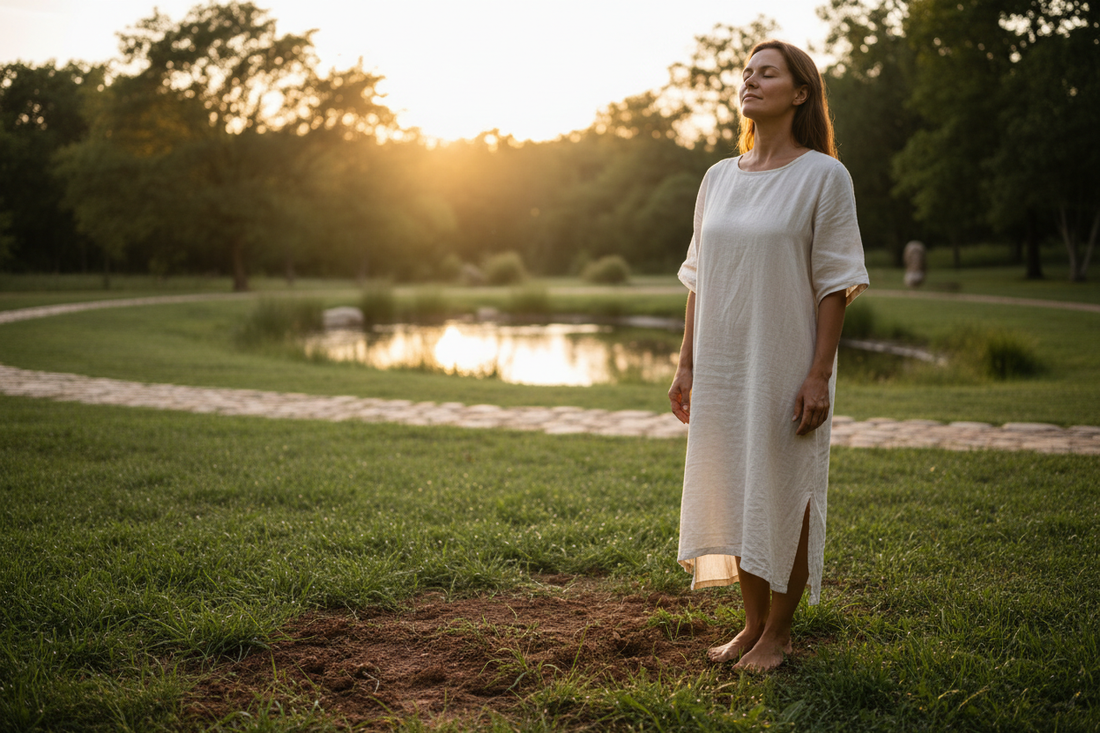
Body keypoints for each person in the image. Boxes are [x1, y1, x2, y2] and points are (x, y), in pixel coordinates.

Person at [667, 39, 869, 672]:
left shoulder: (824, 176)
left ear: (800, 92)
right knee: (734, 484)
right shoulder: (717, 178)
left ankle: (780, 633)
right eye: (746, 73)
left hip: (785, 358)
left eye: (767, 72)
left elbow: (836, 280)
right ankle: (751, 625)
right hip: (723, 364)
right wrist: (686, 363)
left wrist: (818, 373)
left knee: (785, 487)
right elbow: (701, 277)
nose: (751, 81)